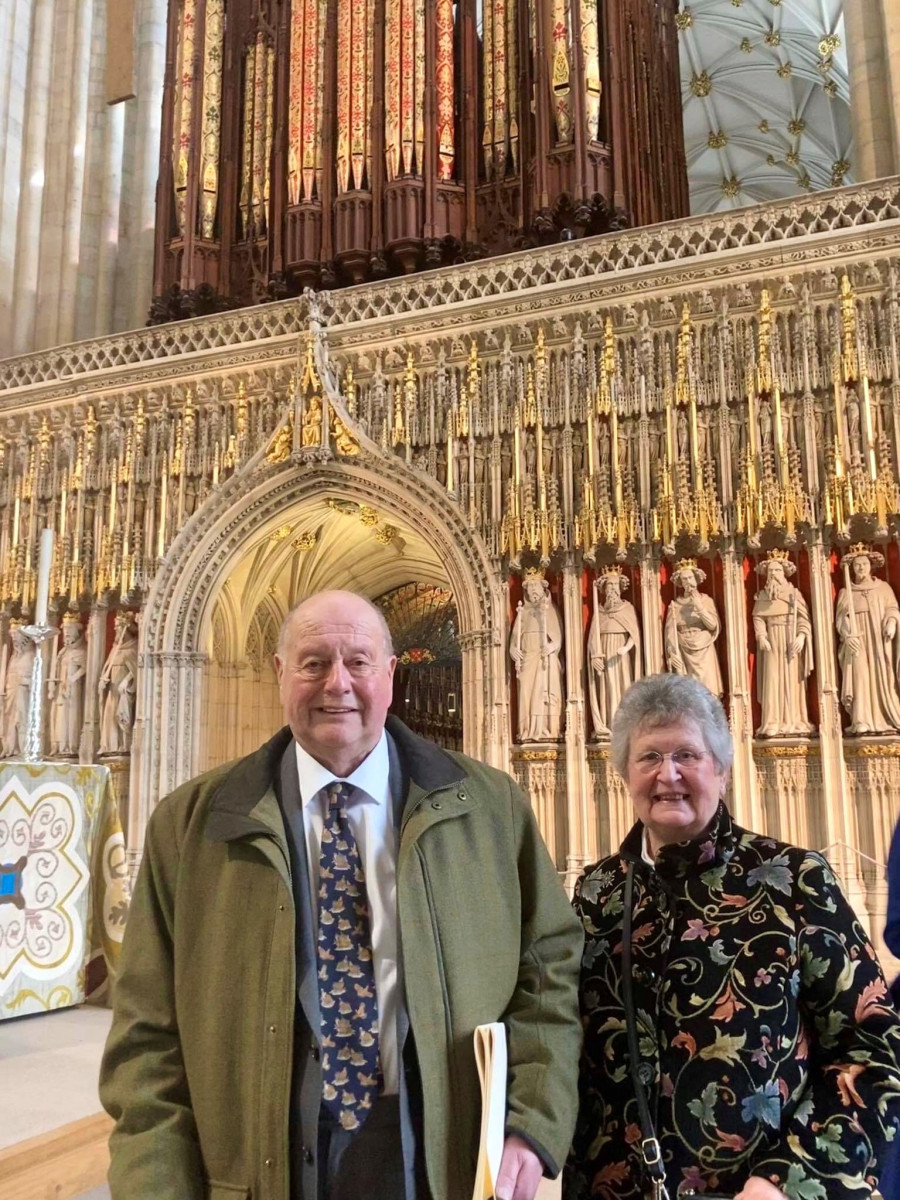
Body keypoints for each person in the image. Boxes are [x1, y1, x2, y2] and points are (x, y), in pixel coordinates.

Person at [100, 589, 583, 1200]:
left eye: (358, 661)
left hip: (439, 1153)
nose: (337, 683)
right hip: (259, 1160)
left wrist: (529, 1122)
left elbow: (549, 973)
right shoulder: (191, 825)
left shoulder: (488, 808)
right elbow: (147, 1036)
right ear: (279, 674)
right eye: (312, 662)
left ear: (389, 674)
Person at [565, 673, 900, 1200]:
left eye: (687, 755)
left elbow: (875, 1044)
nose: (667, 774)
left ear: (721, 770)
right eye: (648, 757)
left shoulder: (795, 878)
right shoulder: (597, 893)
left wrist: (788, 1179)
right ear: (623, 773)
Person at [835, 545, 900, 735]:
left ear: (871, 566)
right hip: (858, 641)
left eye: (864, 564)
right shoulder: (846, 592)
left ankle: (887, 716)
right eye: (857, 565)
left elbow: (892, 608)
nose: (861, 568)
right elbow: (840, 618)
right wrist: (848, 634)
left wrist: (891, 622)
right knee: (860, 676)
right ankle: (861, 719)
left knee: (883, 676)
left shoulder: (883, 588)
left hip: (880, 641)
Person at [751, 552, 814, 738]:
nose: (773, 574)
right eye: (770, 571)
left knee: (792, 680)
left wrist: (801, 636)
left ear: (784, 573)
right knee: (772, 679)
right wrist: (761, 635)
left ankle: (795, 720)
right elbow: (758, 618)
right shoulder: (763, 596)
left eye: (777, 570)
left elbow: (804, 619)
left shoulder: (794, 595)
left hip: (790, 639)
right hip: (772, 640)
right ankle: (772, 721)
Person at [510, 572, 564, 742]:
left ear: (543, 587)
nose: (533, 589)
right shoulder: (522, 611)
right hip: (528, 659)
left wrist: (553, 645)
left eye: (536, 585)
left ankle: (547, 730)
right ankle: (528, 731)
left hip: (544, 659)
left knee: (544, 695)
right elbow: (515, 638)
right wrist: (513, 649)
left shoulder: (550, 609)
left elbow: (558, 636)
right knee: (527, 695)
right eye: (530, 586)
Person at [588, 568, 642, 737]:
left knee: (622, 685)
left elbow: (635, 635)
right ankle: (608, 722)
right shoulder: (600, 612)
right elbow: (592, 639)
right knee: (606, 689)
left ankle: (624, 726)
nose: (612, 589)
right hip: (605, 652)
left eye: (615, 585)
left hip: (621, 655)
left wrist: (626, 647)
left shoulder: (627, 608)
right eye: (609, 586)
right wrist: (594, 656)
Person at [664, 559, 723, 698]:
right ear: (680, 582)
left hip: (704, 647)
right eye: (684, 579)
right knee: (689, 692)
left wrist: (699, 607)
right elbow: (670, 633)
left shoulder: (705, 600)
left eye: (690, 577)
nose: (688, 582)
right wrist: (672, 653)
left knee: (707, 688)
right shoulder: (675, 605)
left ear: (696, 578)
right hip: (684, 649)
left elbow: (713, 625)